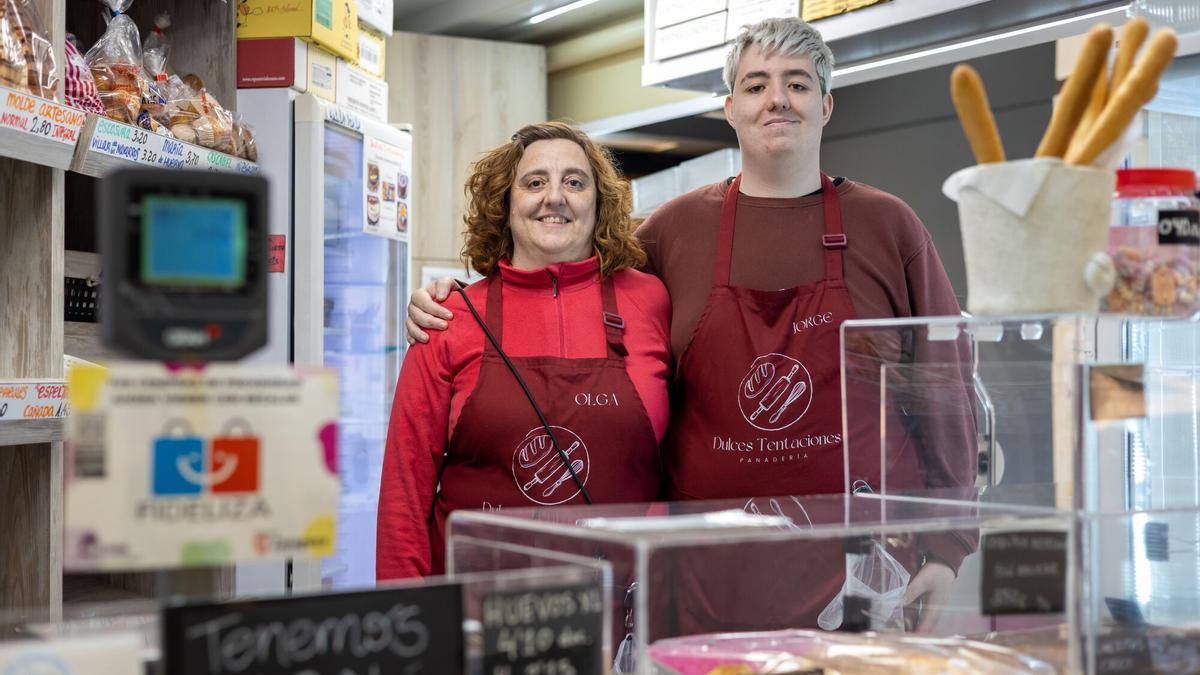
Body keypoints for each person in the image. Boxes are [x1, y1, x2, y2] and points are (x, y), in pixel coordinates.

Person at [405, 18, 976, 629]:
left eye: (798, 84)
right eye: (756, 85)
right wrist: (456, 293)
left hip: (865, 567)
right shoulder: (674, 230)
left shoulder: (890, 228)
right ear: (729, 107)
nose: (777, 99)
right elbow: (560, 278)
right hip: (706, 570)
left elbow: (946, 388)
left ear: (827, 104)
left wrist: (947, 547)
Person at [376, 122, 672, 580]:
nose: (554, 197)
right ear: (506, 204)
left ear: (599, 204)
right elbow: (404, 493)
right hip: (477, 609)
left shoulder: (651, 301)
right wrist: (409, 624)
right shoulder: (449, 318)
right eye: (535, 183)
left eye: (575, 182)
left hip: (622, 604)